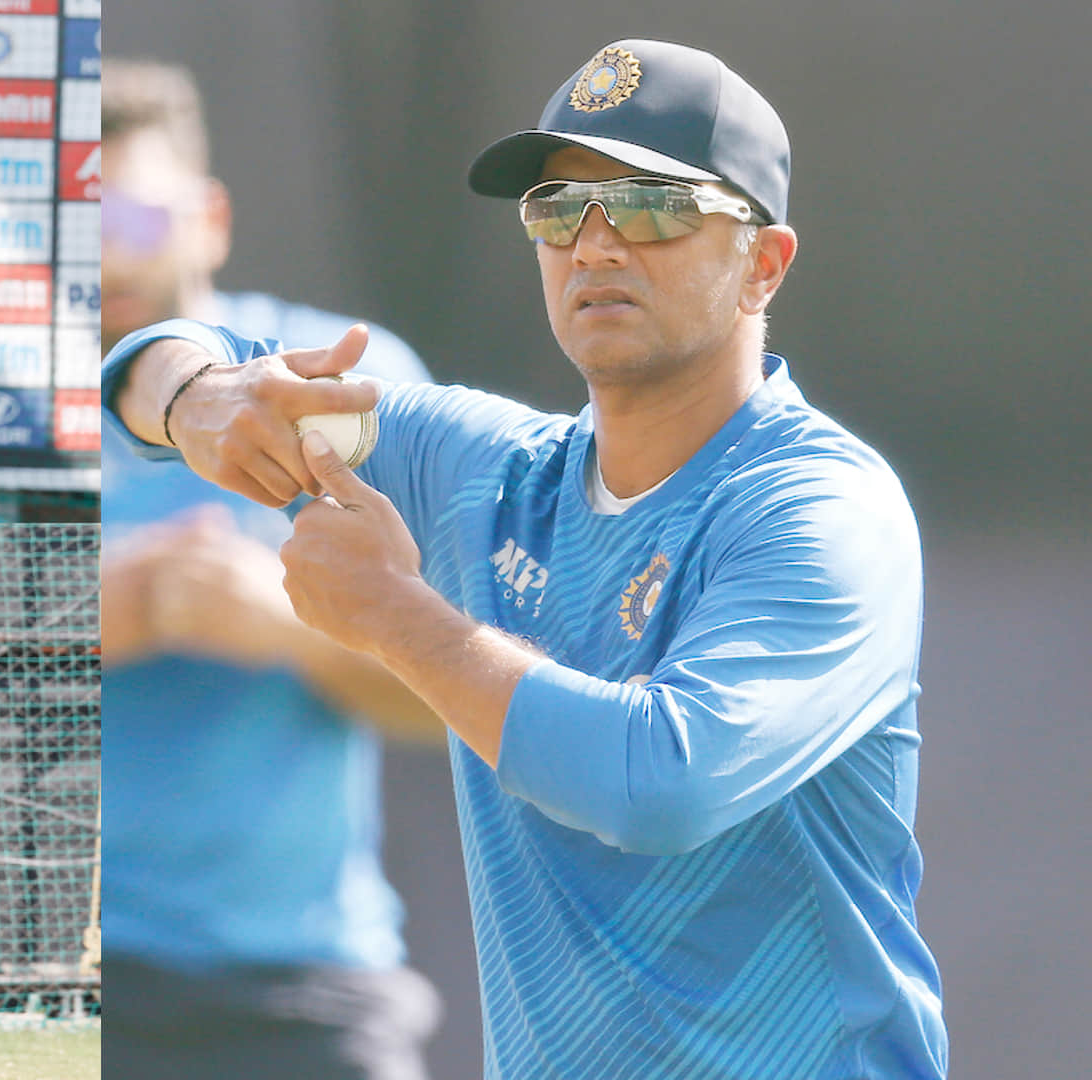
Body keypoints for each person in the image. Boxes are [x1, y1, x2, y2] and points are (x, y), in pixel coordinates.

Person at [103, 39, 946, 1080]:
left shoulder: (819, 504)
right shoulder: (493, 465)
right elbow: (157, 370)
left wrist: (390, 616)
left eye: (649, 207)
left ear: (762, 263)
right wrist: (197, 395)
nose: (593, 247)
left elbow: (656, 785)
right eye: (558, 212)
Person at [101, 58, 444, 1080]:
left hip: (302, 988)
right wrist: (84, 612)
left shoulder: (337, 387)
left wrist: (287, 625)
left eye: (139, 222)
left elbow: (462, 700)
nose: (109, 258)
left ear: (210, 219)